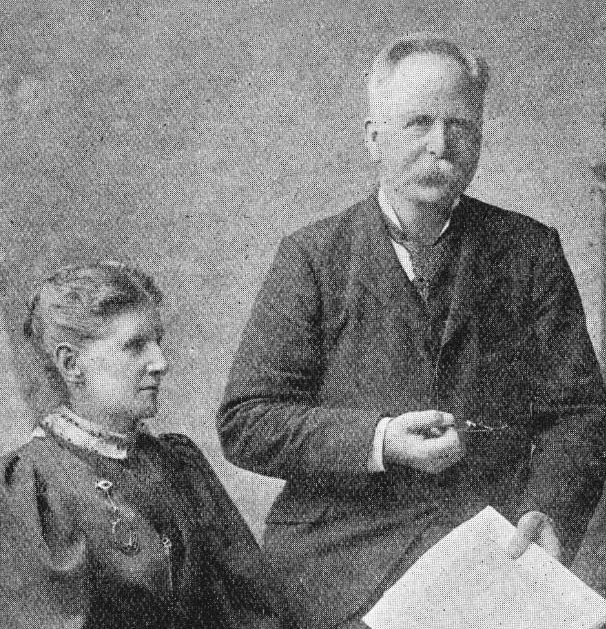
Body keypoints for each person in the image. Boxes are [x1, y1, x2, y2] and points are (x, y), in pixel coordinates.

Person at [217, 35, 606, 628]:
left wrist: (548, 512)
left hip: (486, 563)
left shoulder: (529, 251)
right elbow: (247, 420)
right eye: (418, 124)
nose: (441, 146)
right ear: (374, 138)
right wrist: (380, 440)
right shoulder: (312, 258)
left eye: (460, 126)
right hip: (342, 571)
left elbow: (579, 412)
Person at [0, 262, 301, 629]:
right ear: (71, 363)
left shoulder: (179, 463)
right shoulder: (31, 488)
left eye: (158, 341)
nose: (160, 362)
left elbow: (251, 607)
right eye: (135, 346)